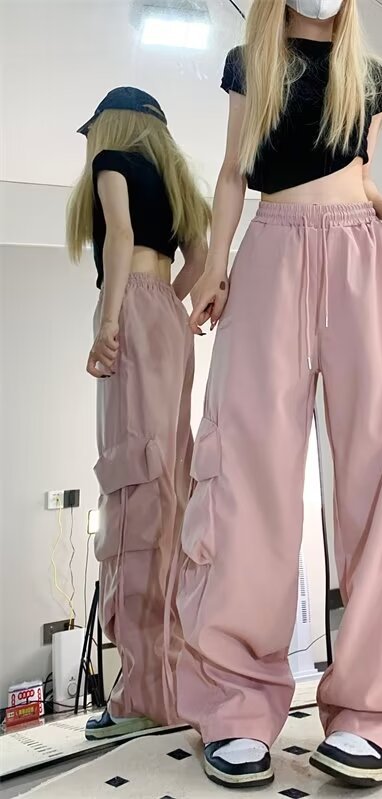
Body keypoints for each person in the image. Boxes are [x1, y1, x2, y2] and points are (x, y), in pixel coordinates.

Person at [174, 0, 382, 788]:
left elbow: (362, 177)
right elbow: (233, 172)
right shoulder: (251, 65)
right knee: (245, 471)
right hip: (270, 254)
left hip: (361, 256)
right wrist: (215, 267)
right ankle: (236, 705)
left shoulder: (371, 77)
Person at [66, 87, 211, 741]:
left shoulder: (111, 162)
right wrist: (165, 304)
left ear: (110, 127)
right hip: (168, 321)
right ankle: (171, 680)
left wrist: (109, 320)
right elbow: (199, 261)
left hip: (130, 310)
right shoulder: (176, 181)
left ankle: (139, 696)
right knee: (169, 486)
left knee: (131, 491)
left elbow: (119, 237)